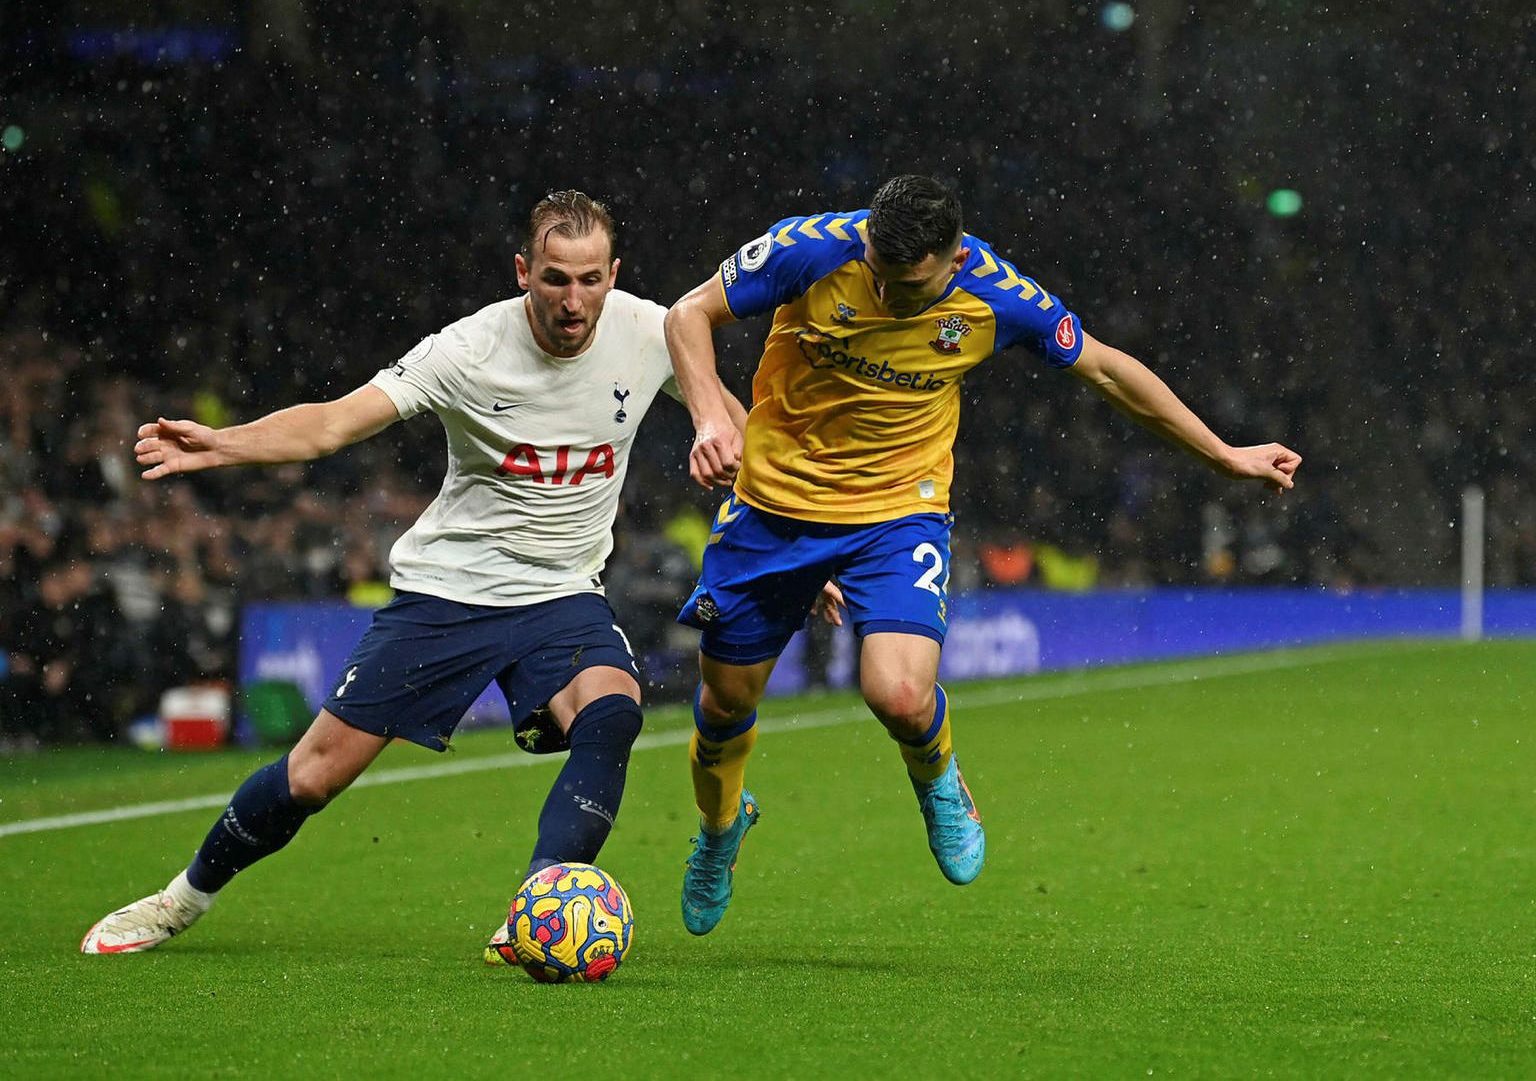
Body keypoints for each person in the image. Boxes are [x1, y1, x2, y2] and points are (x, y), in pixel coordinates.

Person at [81, 190, 745, 960]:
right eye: (556, 279)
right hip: (450, 593)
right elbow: (332, 422)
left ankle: (536, 913)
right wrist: (223, 444)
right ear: (523, 271)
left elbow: (735, 429)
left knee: (613, 712)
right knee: (314, 776)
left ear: (615, 273)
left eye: (591, 279)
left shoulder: (651, 331)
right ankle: (180, 899)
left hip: (562, 592)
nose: (574, 301)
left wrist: (801, 539)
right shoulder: (466, 350)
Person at [663, 174, 1302, 935]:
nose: (894, 299)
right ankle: (721, 830)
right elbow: (687, 314)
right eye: (882, 279)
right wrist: (708, 415)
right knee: (727, 702)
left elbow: (1103, 368)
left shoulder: (999, 295)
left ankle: (939, 779)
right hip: (773, 506)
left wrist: (1224, 454)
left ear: (954, 255)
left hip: (896, 513)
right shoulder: (814, 248)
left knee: (898, 693)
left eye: (914, 288)